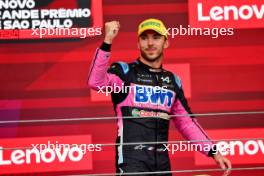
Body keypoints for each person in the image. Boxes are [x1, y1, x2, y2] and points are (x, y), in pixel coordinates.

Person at [88, 18, 231, 175]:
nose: (150, 43)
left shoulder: (172, 80)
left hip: (162, 164)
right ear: (138, 43)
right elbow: (96, 82)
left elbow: (187, 122)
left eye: (156, 38)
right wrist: (107, 41)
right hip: (132, 163)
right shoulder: (124, 72)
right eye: (144, 38)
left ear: (166, 42)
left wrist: (213, 151)